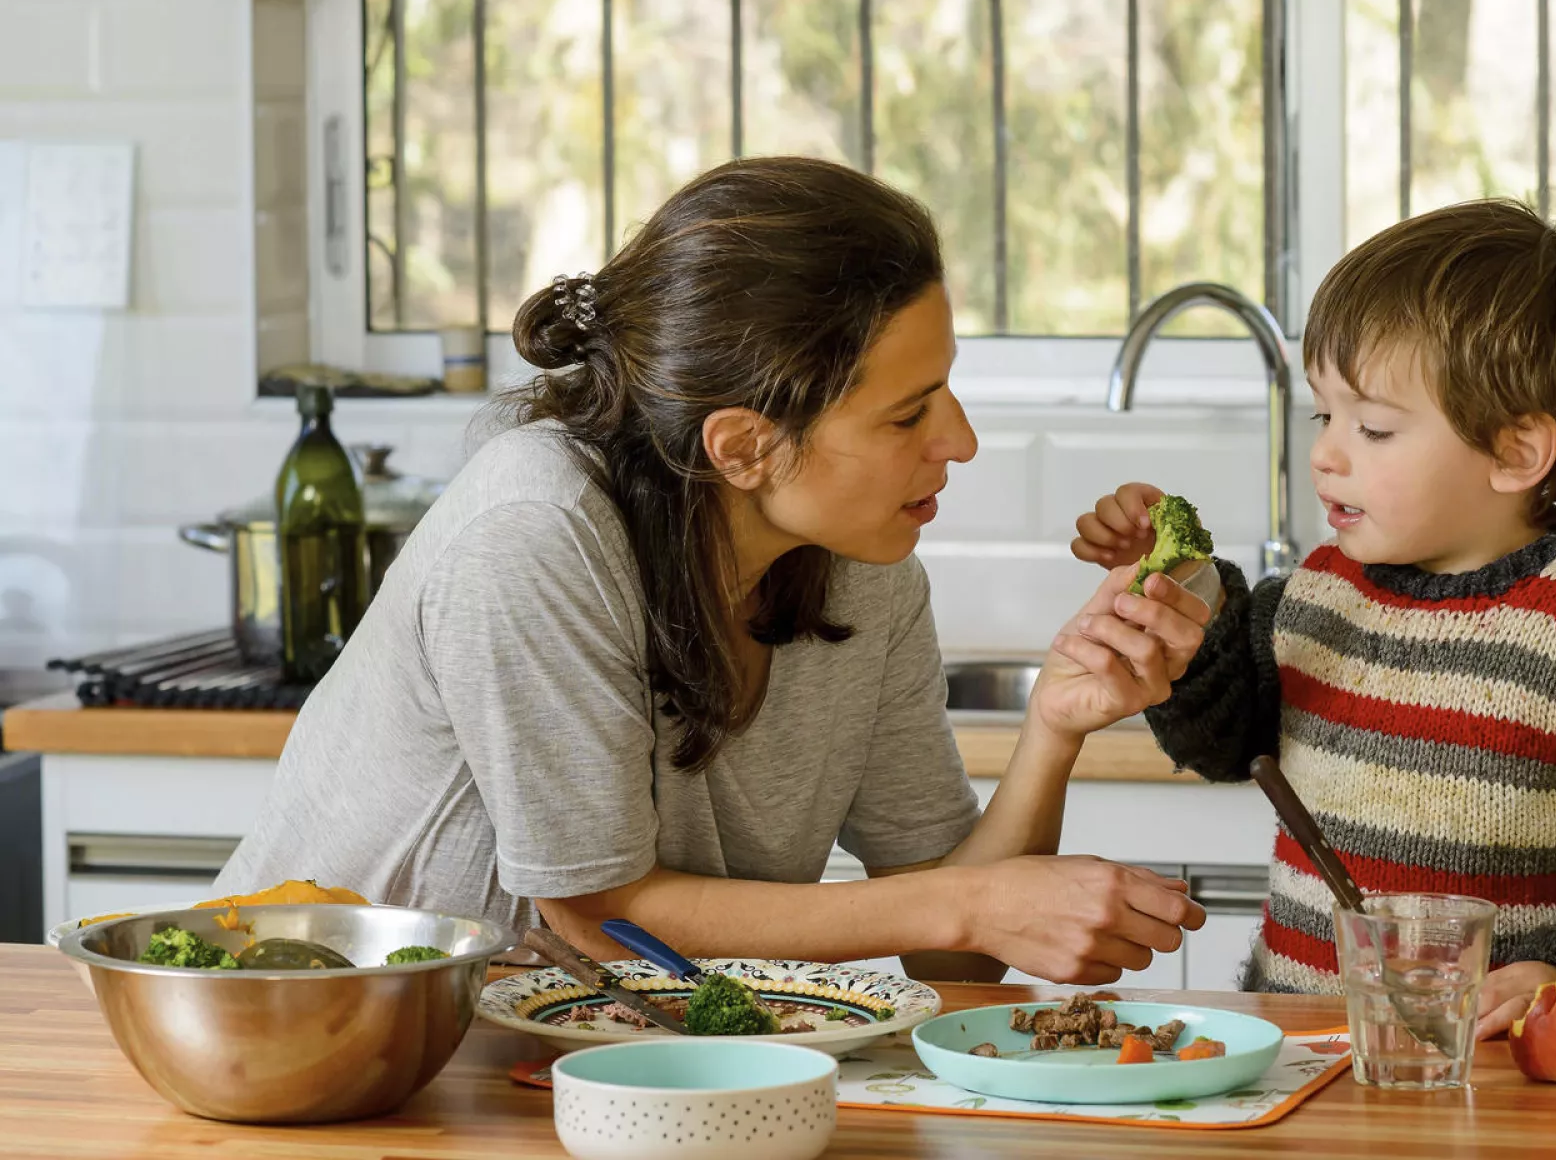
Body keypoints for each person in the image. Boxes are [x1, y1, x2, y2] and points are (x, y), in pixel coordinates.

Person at [219, 157, 1211, 983]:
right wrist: (967, 904)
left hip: (599, 1070)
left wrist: (1055, 727)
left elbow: (952, 948)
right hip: (331, 1042)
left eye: (946, 388)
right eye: (909, 412)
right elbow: (600, 918)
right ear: (741, 447)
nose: (959, 439)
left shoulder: (868, 571)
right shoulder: (536, 530)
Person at [1069, 199, 1556, 1033]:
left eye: (1375, 427)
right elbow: (1223, 744)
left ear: (1514, 451)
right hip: (1306, 1054)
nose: (1326, 452)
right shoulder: (1319, 595)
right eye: (1326, 416)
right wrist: (1185, 599)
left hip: (1505, 1074)